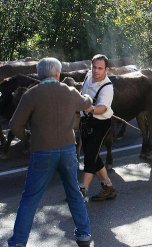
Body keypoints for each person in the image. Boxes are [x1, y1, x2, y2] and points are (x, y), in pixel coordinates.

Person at [8, 57, 93, 247]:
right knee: (74, 193)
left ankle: (18, 243)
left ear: (40, 74)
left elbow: (14, 125)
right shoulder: (70, 92)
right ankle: (84, 235)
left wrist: (28, 138)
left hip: (42, 151)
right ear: (58, 73)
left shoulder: (31, 95)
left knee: (30, 198)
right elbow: (86, 103)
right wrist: (87, 96)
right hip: (68, 150)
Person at [79, 54, 117, 201]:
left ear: (106, 69)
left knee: (89, 157)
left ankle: (82, 190)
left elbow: (101, 108)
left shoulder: (107, 88)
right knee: (93, 155)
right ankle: (108, 187)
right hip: (85, 122)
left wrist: (89, 108)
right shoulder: (88, 75)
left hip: (100, 123)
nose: (96, 71)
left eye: (100, 68)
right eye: (94, 67)